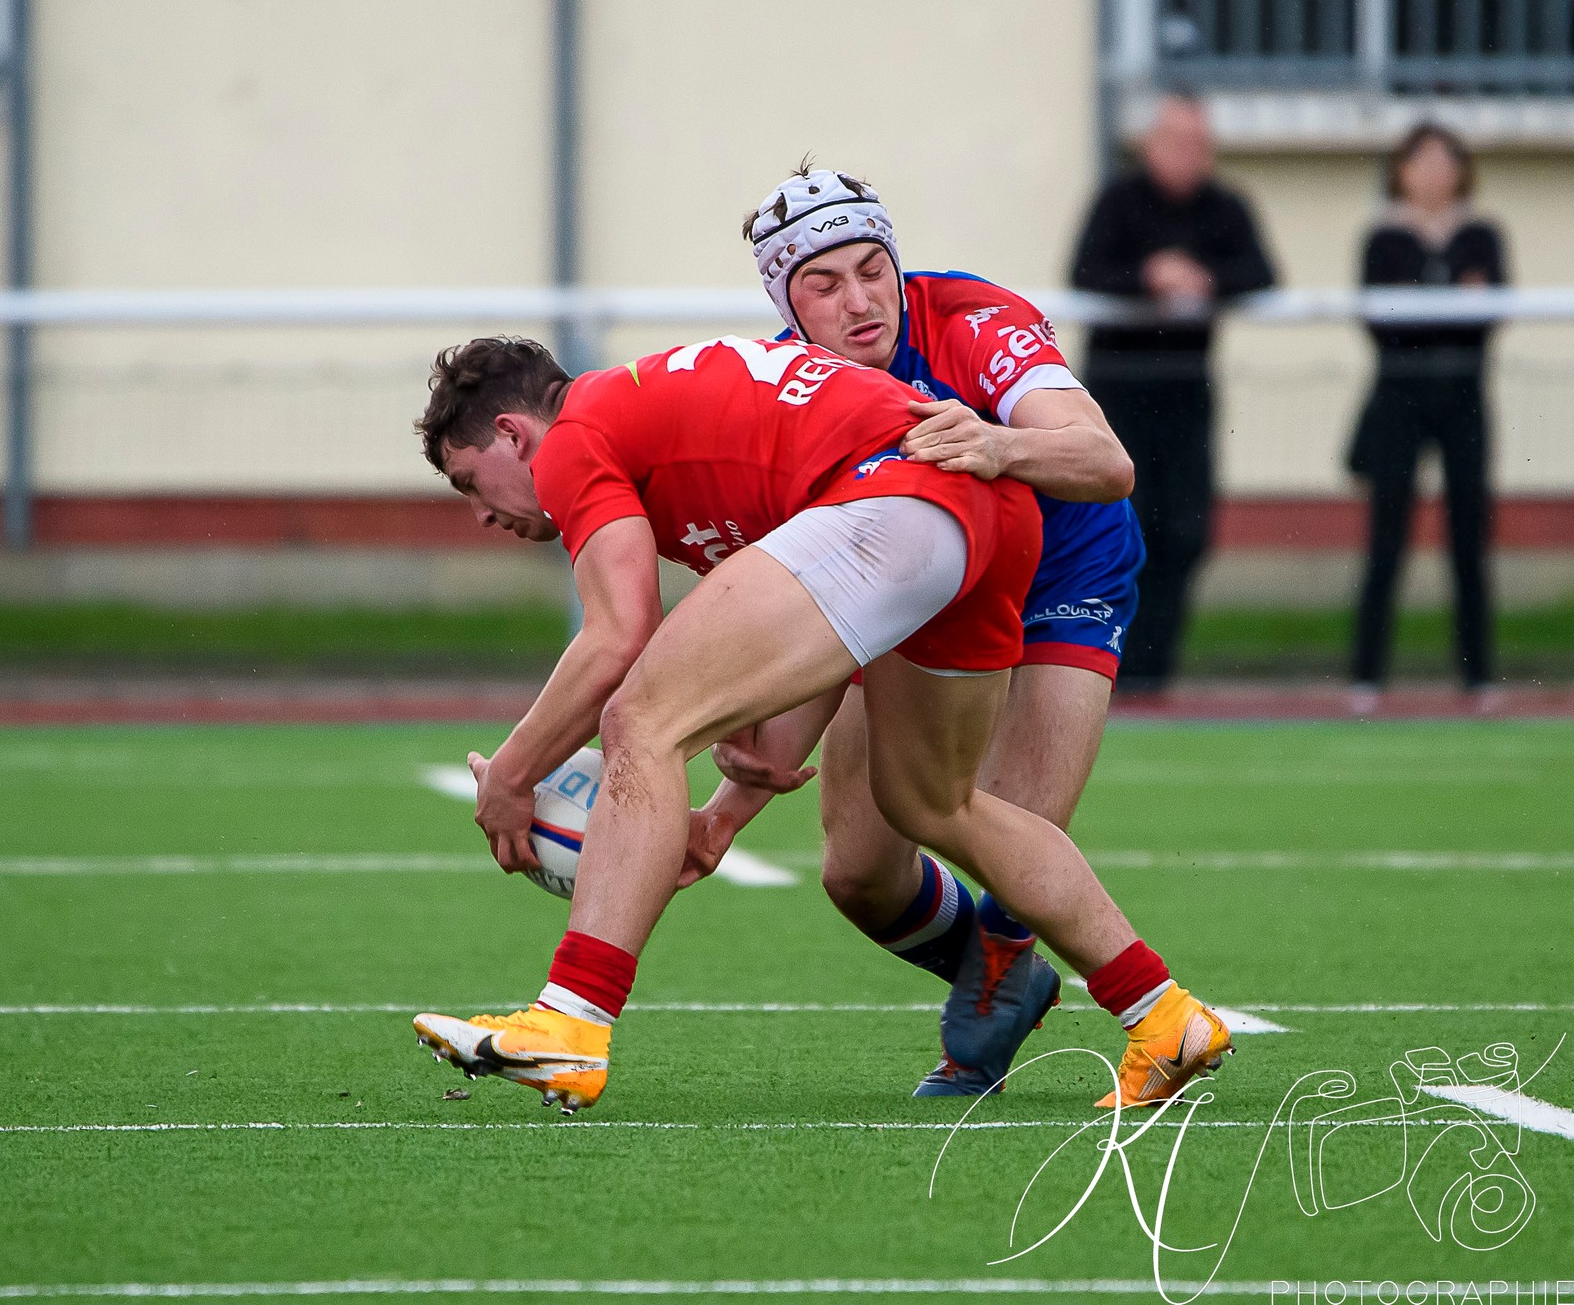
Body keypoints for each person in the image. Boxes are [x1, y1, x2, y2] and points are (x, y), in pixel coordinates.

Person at [407, 323, 1231, 1114]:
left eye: (470, 480)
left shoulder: (577, 432)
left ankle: (571, 1019)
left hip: (901, 497)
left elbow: (619, 635)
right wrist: (726, 815)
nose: (482, 513)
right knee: (934, 804)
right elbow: (827, 613)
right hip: (984, 514)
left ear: (515, 434)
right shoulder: (674, 425)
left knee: (641, 722)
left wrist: (512, 779)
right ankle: (1163, 1015)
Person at [684, 166, 1149, 1098]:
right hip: (920, 587)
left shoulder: (975, 321)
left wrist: (998, 444)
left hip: (1063, 569)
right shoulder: (788, 389)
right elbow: (824, 605)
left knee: (1013, 844)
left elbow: (1107, 460)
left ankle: (1018, 979)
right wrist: (727, 813)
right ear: (788, 305)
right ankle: (1004, 972)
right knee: (857, 874)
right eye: (826, 284)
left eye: (873, 269)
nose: (861, 302)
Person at [1070, 93, 1276, 693]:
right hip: (1119, 392)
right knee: (1118, 527)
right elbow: (1084, 273)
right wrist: (1148, 278)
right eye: (1177, 142)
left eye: (1200, 145)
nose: (1190, 156)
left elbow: (1262, 273)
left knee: (1184, 530)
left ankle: (1154, 675)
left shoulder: (1226, 207)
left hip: (1187, 389)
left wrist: (1206, 279)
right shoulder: (1118, 202)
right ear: (1150, 146)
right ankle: (1109, 669)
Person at [1348, 123, 1506, 705]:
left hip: (1464, 398)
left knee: (1470, 535)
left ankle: (1480, 676)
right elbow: (1381, 321)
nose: (1435, 172)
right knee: (1386, 535)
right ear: (1401, 170)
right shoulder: (1383, 235)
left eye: (1446, 160)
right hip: (1399, 398)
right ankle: (1365, 677)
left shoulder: (1481, 233)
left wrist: (1432, 307)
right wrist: (1447, 304)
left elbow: (1489, 314)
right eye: (1422, 160)